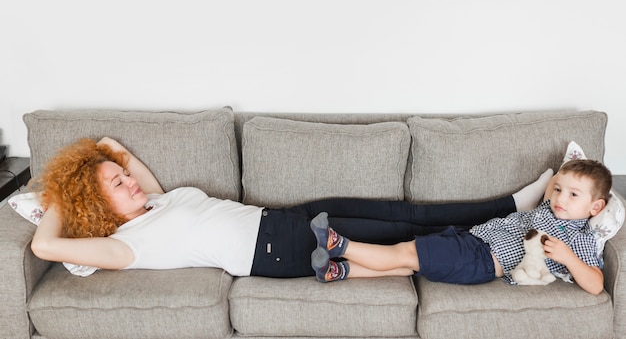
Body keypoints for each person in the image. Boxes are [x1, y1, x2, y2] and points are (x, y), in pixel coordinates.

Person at [30, 137, 552, 279]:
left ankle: (510, 207)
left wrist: (96, 165)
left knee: (407, 211)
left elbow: (111, 144)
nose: (129, 180)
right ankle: (513, 217)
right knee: (404, 233)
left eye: (123, 178)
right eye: (117, 186)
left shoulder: (155, 202)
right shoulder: (126, 245)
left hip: (287, 217)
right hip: (281, 250)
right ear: (98, 208)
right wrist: (59, 195)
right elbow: (45, 244)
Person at [309, 159, 611, 295]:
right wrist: (564, 181)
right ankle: (338, 271)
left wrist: (567, 257)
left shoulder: (578, 238)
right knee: (411, 265)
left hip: (478, 260)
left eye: (574, 195)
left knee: (404, 252)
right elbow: (556, 185)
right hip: (471, 239)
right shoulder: (550, 208)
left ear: (595, 208)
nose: (560, 198)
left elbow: (596, 284)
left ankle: (340, 245)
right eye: (559, 189)